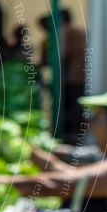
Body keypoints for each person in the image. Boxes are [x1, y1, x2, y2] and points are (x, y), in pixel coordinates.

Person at [38, 9, 87, 143]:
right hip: (79, 77)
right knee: (76, 109)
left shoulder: (65, 32)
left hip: (73, 78)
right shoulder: (77, 31)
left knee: (71, 109)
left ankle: (71, 138)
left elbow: (58, 56)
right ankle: (75, 136)